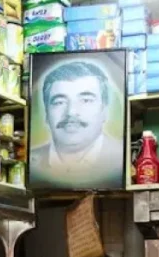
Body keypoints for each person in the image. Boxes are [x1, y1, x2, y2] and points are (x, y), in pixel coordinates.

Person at [30, 60, 124, 190]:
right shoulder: (30, 165)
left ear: (104, 111)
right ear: (46, 113)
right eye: (59, 102)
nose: (71, 112)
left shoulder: (120, 162)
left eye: (86, 100)